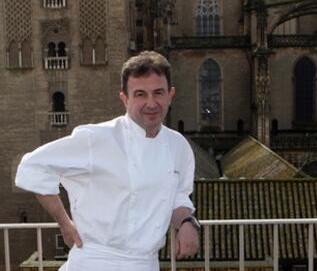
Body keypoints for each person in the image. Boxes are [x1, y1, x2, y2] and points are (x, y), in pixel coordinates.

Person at [15, 51, 200, 270]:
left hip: (146, 263)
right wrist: (65, 223)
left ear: (170, 95)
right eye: (140, 94)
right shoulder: (96, 138)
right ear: (125, 98)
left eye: (158, 93)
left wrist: (188, 222)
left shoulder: (179, 146)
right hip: (96, 261)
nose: (151, 103)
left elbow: (177, 198)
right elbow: (32, 167)